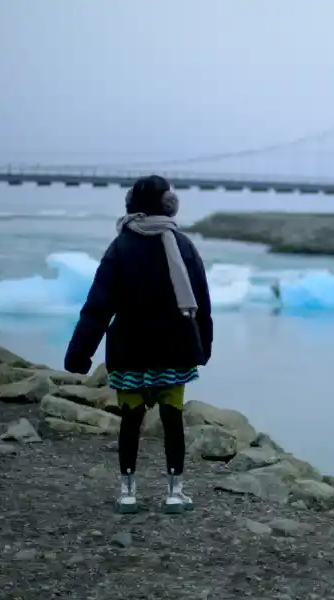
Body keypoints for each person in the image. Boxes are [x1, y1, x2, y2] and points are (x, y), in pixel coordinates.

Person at [64, 175, 213, 515]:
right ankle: (174, 493)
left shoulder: (121, 247)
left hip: (129, 349)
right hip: (174, 350)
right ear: (169, 205)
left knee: (130, 420)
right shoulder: (183, 245)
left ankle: (127, 492)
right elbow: (201, 302)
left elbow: (98, 305)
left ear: (131, 204)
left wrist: (79, 355)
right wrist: (202, 347)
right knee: (172, 419)